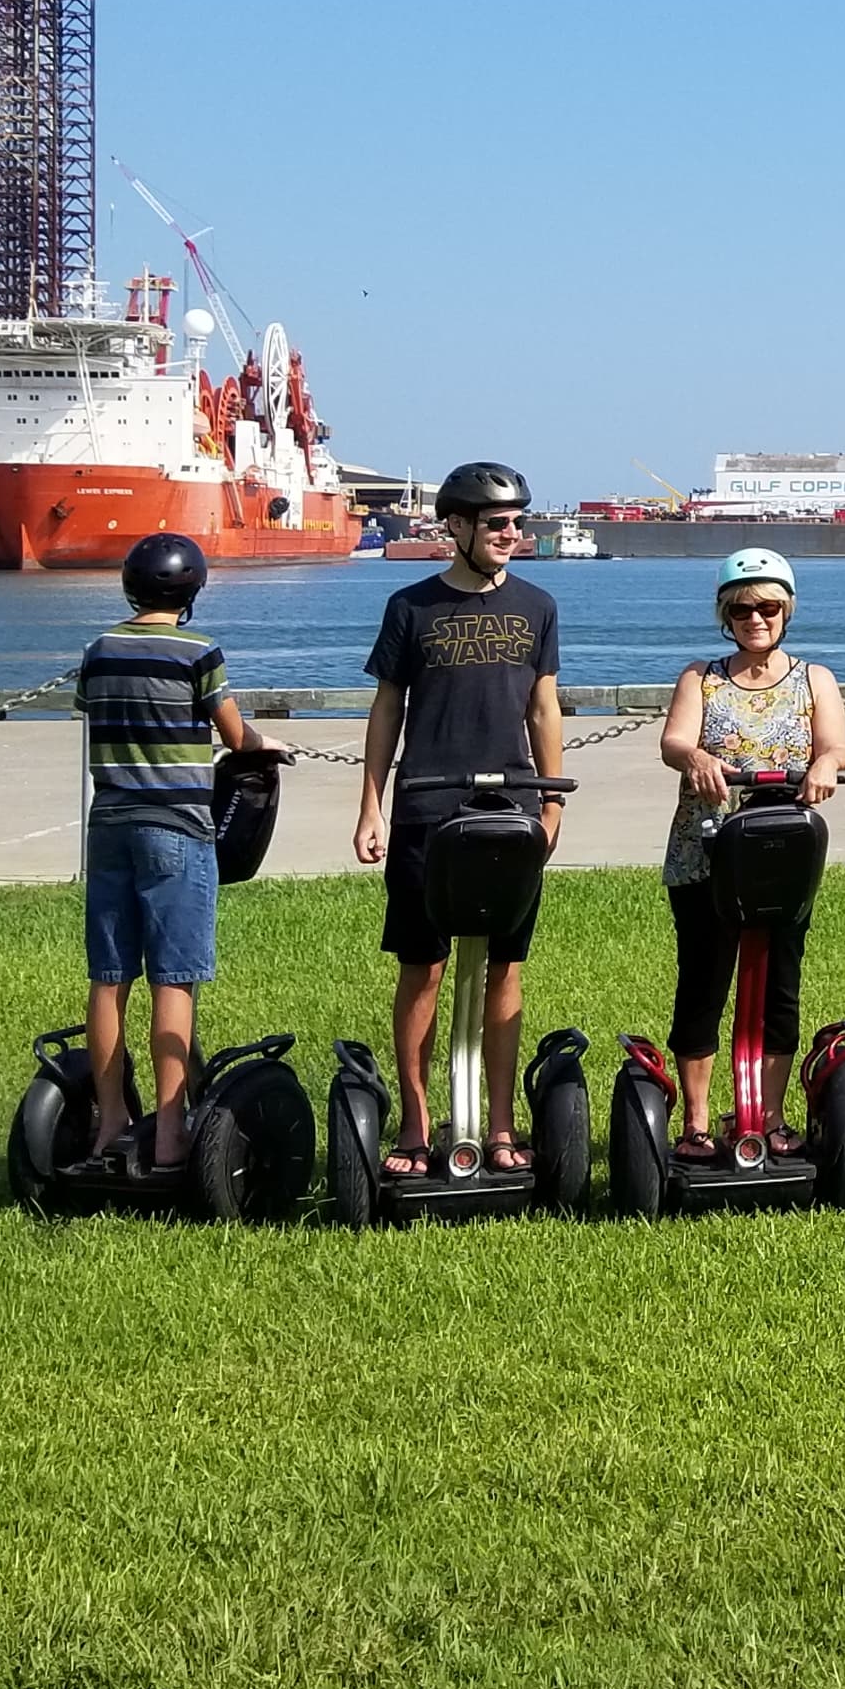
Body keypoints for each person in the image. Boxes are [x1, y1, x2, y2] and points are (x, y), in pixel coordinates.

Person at [354, 460, 566, 1178]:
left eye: (518, 522)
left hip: (510, 810)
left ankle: (500, 1125)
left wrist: (552, 799)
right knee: (426, 967)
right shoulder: (409, 607)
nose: (512, 534)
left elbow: (544, 707)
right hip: (426, 808)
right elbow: (389, 710)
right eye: (497, 523)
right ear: (457, 527)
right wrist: (371, 806)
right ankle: (416, 1126)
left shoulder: (538, 606)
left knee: (505, 967)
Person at [74, 531, 279, 1173]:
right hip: (176, 828)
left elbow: (93, 709)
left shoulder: (99, 648)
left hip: (108, 823)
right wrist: (258, 742)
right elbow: (231, 730)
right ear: (193, 590)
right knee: (174, 977)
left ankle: (109, 1121)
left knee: (109, 980)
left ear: (130, 585)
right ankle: (169, 1130)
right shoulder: (199, 651)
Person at [654, 546, 845, 1159]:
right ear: (726, 614)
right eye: (742, 608)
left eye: (768, 607)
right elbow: (674, 741)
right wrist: (697, 759)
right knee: (704, 982)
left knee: (779, 986)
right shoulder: (702, 678)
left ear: (786, 611)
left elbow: (837, 748)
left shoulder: (814, 679)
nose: (755, 618)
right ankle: (696, 1122)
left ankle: (767, 1117)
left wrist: (823, 763)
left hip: (781, 855)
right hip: (705, 851)